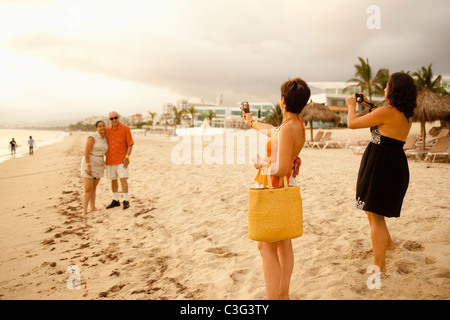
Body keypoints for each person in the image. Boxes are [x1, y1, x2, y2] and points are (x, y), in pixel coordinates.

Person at [242, 78, 310, 300]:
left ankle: (273, 298)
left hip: (275, 185)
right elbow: (274, 131)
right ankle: (283, 294)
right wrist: (252, 123)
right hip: (286, 187)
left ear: (282, 101)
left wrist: (261, 163)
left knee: (266, 246)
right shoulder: (296, 124)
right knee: (283, 242)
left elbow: (280, 168)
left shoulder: (288, 129)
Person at [346, 72, 417, 273]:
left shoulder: (387, 111)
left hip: (380, 165)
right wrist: (368, 105)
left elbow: (352, 124)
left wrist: (351, 106)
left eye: (387, 85)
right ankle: (388, 244)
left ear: (393, 90)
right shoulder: (406, 113)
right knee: (373, 208)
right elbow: (382, 118)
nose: (385, 87)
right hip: (393, 163)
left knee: (375, 214)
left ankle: (379, 265)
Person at [105, 111, 134, 210]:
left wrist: (127, 157)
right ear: (109, 120)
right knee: (113, 180)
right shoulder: (106, 130)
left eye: (115, 117)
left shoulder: (126, 128)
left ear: (119, 117)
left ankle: (126, 200)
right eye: (111, 118)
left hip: (122, 159)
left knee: (123, 179)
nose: (114, 120)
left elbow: (130, 144)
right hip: (110, 159)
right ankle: (115, 200)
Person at [81, 121, 108, 217]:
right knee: (88, 187)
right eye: (100, 126)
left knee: (94, 187)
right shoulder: (92, 137)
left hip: (99, 164)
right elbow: (86, 152)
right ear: (96, 128)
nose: (102, 128)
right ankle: (84, 211)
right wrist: (88, 166)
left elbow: (105, 152)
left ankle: (92, 207)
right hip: (89, 162)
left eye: (103, 126)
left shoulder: (105, 138)